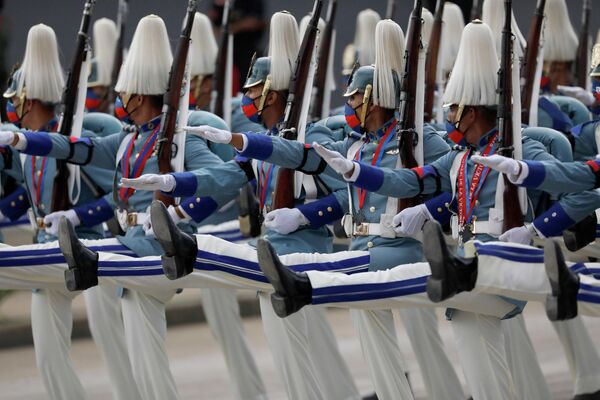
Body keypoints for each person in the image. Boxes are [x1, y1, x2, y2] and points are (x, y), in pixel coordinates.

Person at [0, 23, 141, 400]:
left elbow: (121, 196)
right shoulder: (23, 146)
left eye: (15, 101)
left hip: (97, 248)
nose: (11, 108)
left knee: (112, 342)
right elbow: (24, 196)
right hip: (48, 248)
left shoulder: (84, 134)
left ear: (28, 100)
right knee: (47, 352)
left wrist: (79, 218)